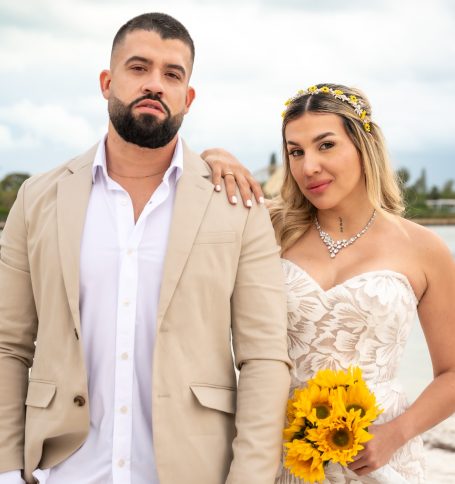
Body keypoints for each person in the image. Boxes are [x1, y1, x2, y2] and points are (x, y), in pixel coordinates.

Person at [0, 13, 291, 484]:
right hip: (63, 471)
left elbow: (263, 358)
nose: (155, 84)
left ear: (188, 98)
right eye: (139, 68)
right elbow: (7, 345)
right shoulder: (38, 199)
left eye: (172, 74)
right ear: (107, 81)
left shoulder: (239, 205)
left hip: (194, 471)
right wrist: (8, 469)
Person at [202, 83, 455, 483]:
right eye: (295, 152)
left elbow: (452, 372)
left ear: (363, 145)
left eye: (325, 145)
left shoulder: (423, 248)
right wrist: (214, 157)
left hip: (381, 458)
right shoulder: (268, 228)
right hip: (282, 454)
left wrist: (394, 434)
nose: (309, 167)